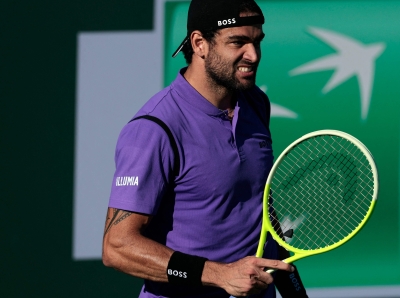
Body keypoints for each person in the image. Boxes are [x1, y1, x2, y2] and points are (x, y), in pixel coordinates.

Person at [102, 0, 309, 297]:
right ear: (200, 43)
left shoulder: (255, 104)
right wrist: (219, 275)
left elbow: (259, 208)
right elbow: (117, 246)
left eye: (256, 41)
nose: (253, 55)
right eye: (238, 42)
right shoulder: (154, 129)